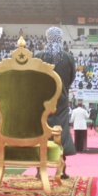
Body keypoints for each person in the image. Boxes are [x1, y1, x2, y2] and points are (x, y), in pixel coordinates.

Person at [35, 27, 76, 179]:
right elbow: (71, 79)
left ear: (47, 37)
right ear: (60, 38)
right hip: (61, 100)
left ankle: (40, 171)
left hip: (42, 101)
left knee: (42, 134)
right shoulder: (68, 57)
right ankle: (62, 171)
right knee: (62, 133)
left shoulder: (39, 56)